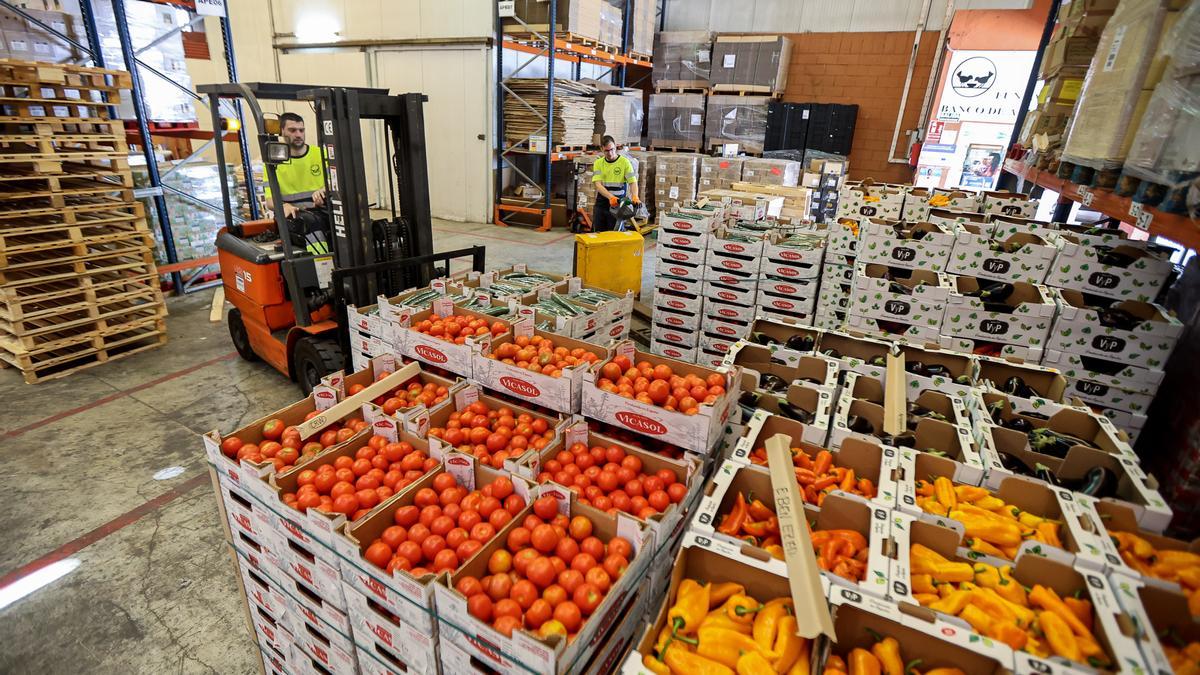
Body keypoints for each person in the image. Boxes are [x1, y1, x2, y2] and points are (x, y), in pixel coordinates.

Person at [263, 112, 328, 220]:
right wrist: (284, 206)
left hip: (320, 213)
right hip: (292, 217)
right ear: (282, 131)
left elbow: (335, 183)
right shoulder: (274, 162)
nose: (298, 135)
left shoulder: (321, 154)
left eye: (301, 130)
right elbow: (270, 201)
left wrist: (324, 191)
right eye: (292, 130)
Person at [591, 135, 639, 232]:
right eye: (606, 151)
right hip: (602, 202)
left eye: (612, 149)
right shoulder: (598, 163)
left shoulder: (624, 162)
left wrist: (635, 196)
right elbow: (598, 184)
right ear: (602, 149)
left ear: (616, 147)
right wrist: (610, 197)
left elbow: (633, 182)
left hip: (618, 204)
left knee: (614, 233)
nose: (610, 153)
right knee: (599, 232)